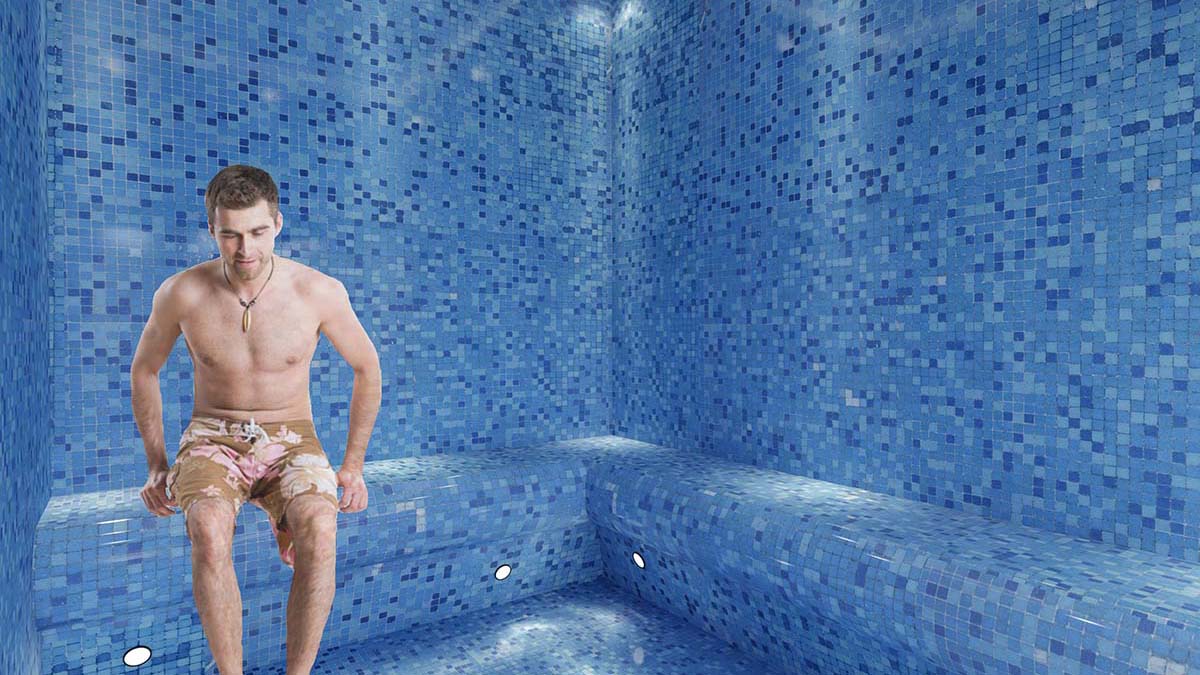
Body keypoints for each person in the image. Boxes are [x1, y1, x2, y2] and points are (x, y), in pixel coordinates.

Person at [130, 164, 383, 675]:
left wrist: (353, 466)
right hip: (212, 436)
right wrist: (157, 465)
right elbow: (144, 370)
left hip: (292, 440)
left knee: (321, 527)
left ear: (278, 224)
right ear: (212, 229)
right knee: (206, 527)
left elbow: (367, 368)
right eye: (230, 235)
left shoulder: (318, 292)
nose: (245, 249)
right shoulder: (182, 292)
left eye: (258, 232)